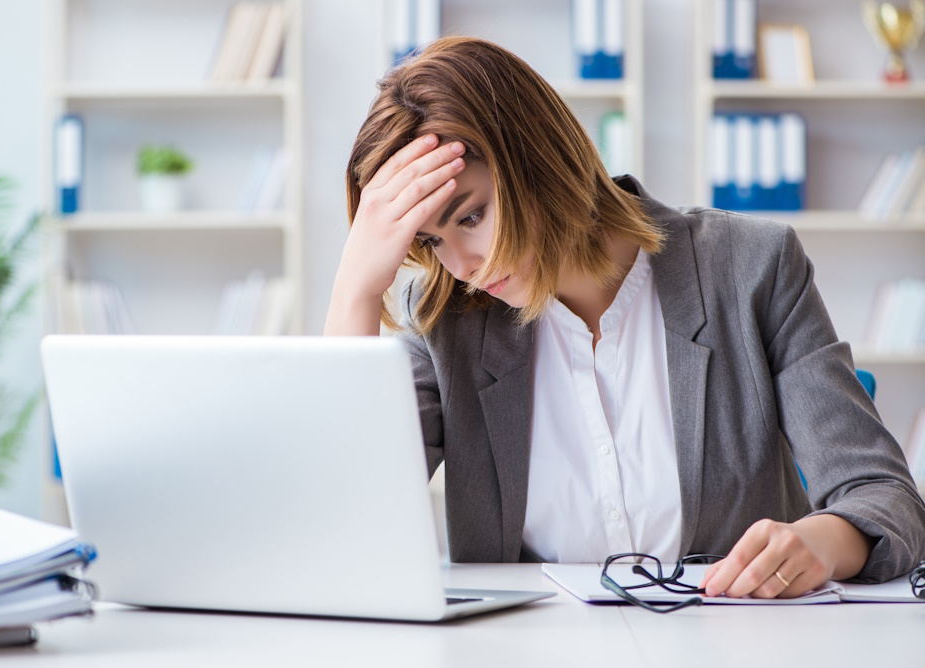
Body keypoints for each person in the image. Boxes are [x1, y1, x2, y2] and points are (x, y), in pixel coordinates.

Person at [324, 36, 925, 598]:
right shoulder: (443, 323)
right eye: (430, 243)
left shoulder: (751, 268)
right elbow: (345, 521)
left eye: (472, 217)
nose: (462, 267)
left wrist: (822, 541)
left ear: (538, 159)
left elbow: (884, 497)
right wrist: (354, 293)